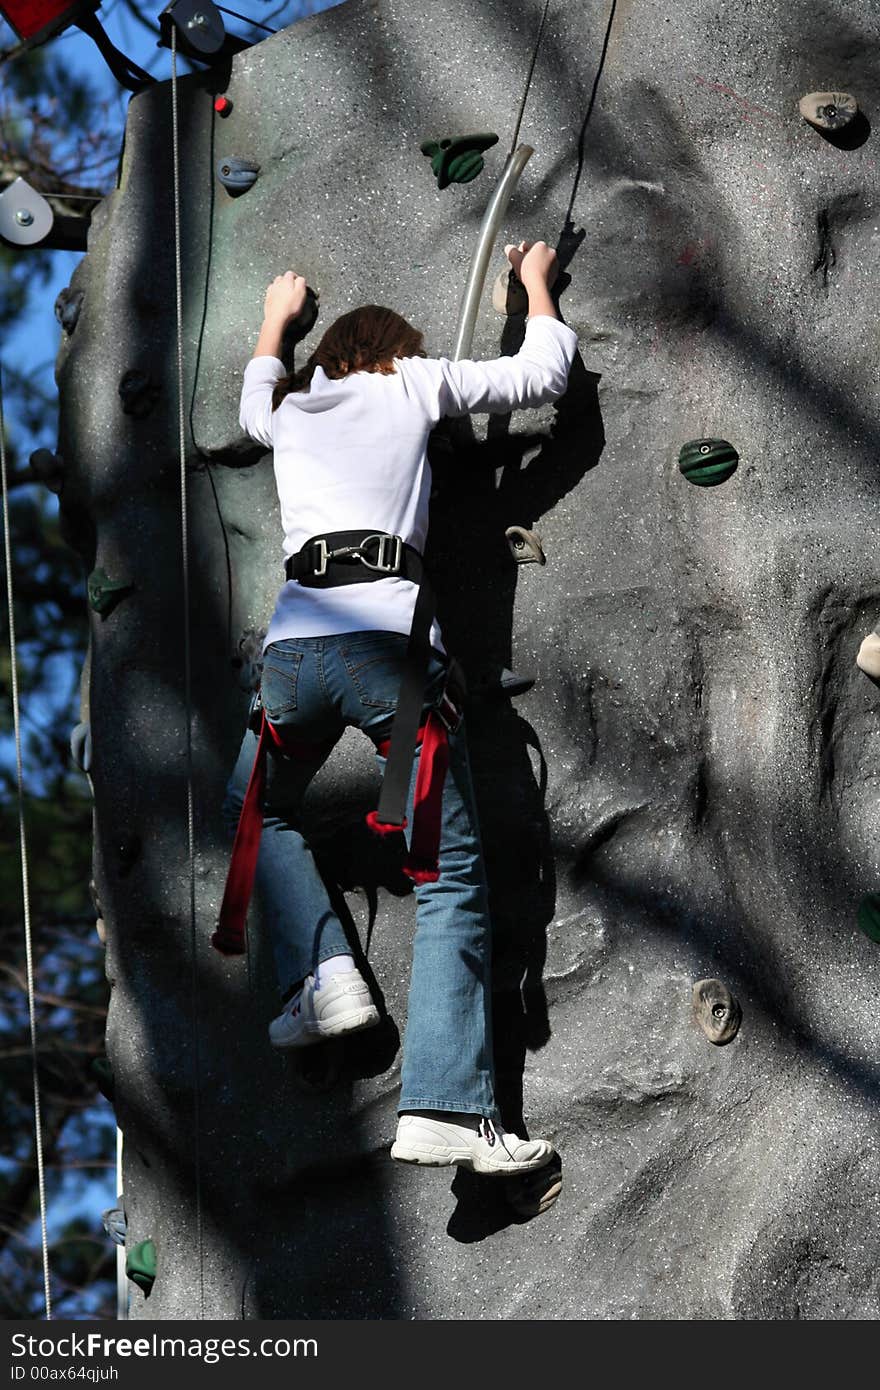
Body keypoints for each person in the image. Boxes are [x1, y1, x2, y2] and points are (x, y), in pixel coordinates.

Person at [225, 240, 578, 1176]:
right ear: (391, 350)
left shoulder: (294, 409)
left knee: (254, 808)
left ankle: (325, 972)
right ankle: (447, 1107)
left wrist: (275, 311)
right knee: (448, 871)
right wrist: (535, 285)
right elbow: (542, 374)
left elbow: (250, 404)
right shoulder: (412, 382)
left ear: (329, 355)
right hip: (390, 654)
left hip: (297, 659)